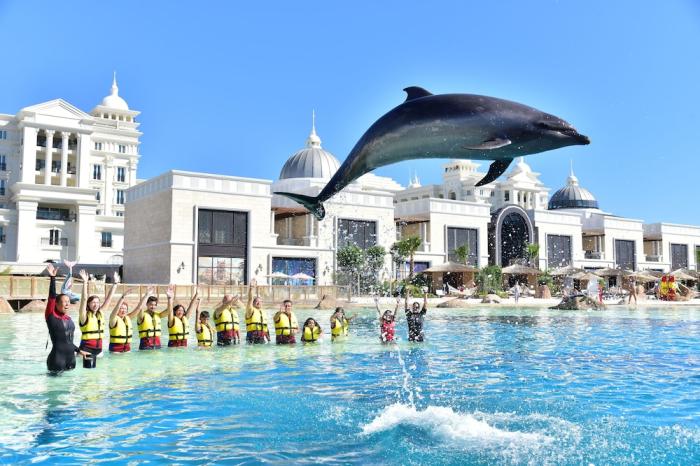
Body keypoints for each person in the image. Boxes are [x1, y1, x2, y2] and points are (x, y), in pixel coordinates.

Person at [44, 263, 89, 373]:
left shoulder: (68, 319)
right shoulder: (51, 316)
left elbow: (67, 342)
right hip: (57, 360)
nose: (67, 304)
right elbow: (52, 297)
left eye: (68, 301)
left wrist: (79, 351)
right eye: (64, 302)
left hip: (71, 360)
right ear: (56, 304)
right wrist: (53, 278)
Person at [77, 270, 120, 359]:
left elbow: (109, 299)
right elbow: (84, 299)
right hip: (86, 351)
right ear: (88, 304)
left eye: (97, 302)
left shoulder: (100, 313)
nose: (95, 304)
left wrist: (115, 284)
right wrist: (85, 282)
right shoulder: (84, 316)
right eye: (93, 302)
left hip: (99, 351)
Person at [108, 287, 146, 353]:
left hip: (127, 348)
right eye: (121, 308)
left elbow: (139, 308)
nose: (123, 310)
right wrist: (123, 297)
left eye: (125, 309)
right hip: (116, 349)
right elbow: (116, 307)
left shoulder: (128, 318)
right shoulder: (113, 319)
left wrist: (146, 295)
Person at [245, 279, 270, 344]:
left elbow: (266, 327)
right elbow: (250, 299)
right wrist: (251, 289)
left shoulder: (263, 312)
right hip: (252, 338)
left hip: (261, 338)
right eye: (256, 301)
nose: (258, 303)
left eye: (260, 301)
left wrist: (268, 339)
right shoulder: (250, 310)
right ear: (253, 303)